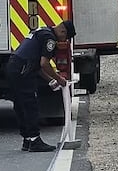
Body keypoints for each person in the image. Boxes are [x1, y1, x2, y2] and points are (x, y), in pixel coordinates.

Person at [5, 21, 76, 152]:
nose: (63, 41)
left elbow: (36, 65)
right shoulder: (50, 39)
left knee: (20, 104)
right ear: (63, 31)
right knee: (30, 105)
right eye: (65, 38)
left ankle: (27, 139)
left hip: (14, 65)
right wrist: (59, 79)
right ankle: (35, 139)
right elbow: (44, 63)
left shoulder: (42, 31)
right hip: (23, 69)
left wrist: (50, 80)